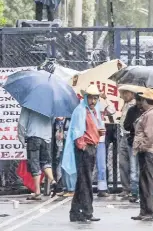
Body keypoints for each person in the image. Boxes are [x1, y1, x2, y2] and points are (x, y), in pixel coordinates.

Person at [62, 85, 105, 223]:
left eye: (96, 98)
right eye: (91, 98)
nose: (93, 101)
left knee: (83, 181)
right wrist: (83, 146)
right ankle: (87, 211)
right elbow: (76, 131)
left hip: (91, 146)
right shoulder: (81, 111)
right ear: (86, 97)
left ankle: (75, 212)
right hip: (85, 148)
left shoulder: (92, 111)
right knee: (85, 181)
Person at [132, 89, 153, 222]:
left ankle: (152, 211)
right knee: (144, 182)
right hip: (149, 151)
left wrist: (142, 147)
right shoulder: (151, 112)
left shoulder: (151, 114)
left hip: (149, 151)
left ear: (146, 101)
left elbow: (149, 136)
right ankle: (145, 211)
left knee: (148, 182)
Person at [18, 107, 57, 200]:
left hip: (33, 136)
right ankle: (53, 181)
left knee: (34, 164)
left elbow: (21, 123)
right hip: (46, 138)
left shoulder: (28, 104)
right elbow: (52, 120)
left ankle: (37, 192)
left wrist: (22, 138)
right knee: (46, 162)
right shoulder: (49, 105)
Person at [123, 94, 144, 203]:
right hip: (133, 142)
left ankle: (143, 192)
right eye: (138, 101)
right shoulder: (132, 110)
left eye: (142, 101)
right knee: (134, 169)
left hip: (144, 144)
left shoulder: (147, 110)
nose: (140, 103)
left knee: (143, 169)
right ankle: (135, 192)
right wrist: (134, 125)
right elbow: (125, 125)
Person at [96, 92, 117, 198]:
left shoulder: (101, 105)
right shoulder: (84, 107)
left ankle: (102, 188)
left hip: (100, 139)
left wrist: (106, 99)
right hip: (89, 139)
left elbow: (112, 111)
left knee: (102, 165)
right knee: (88, 165)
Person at [118, 86, 137, 198]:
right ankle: (126, 188)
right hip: (123, 135)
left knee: (133, 164)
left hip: (131, 136)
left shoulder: (134, 105)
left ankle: (133, 189)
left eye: (126, 93)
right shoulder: (125, 105)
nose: (124, 95)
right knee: (123, 163)